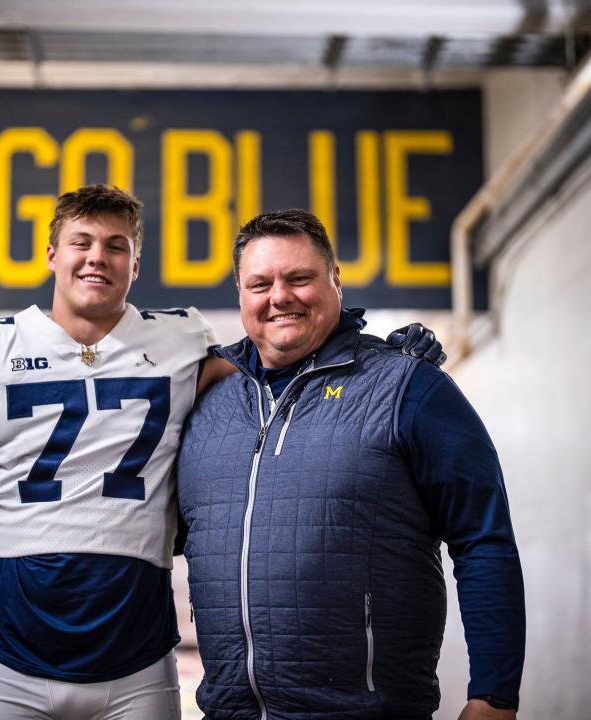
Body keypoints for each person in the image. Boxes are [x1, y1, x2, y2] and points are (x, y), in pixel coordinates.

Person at [0, 186, 444, 720]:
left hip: (136, 650)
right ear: (52, 254)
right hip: (4, 645)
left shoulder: (182, 340)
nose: (96, 258)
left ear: (136, 265)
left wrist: (378, 357)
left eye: (116, 246)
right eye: (81, 242)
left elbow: (285, 343)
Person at [176, 209, 525, 720]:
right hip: (230, 712)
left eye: (300, 278)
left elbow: (483, 540)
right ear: (240, 294)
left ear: (335, 280)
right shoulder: (209, 405)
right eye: (260, 283)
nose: (280, 296)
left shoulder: (409, 388)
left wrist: (494, 695)